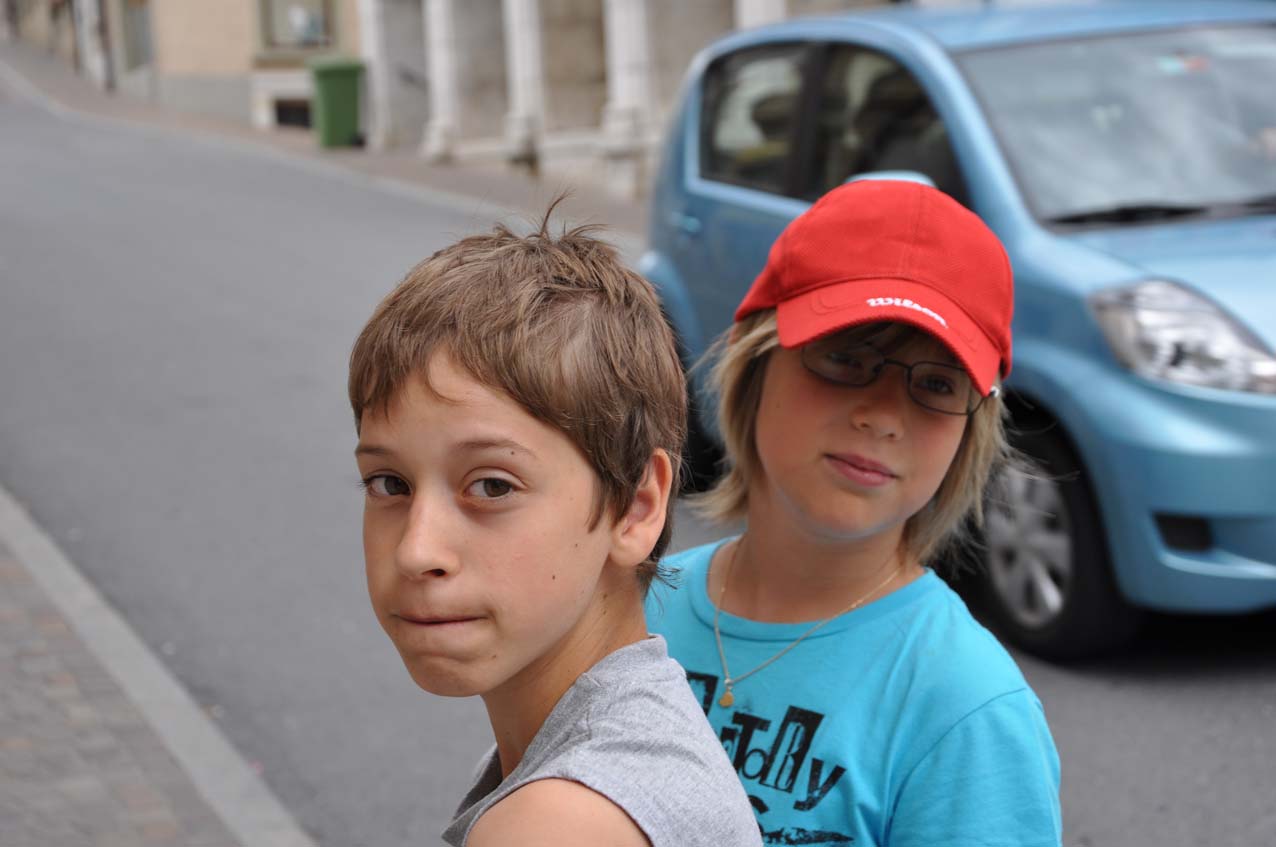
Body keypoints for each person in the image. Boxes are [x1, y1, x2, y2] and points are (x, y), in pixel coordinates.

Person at [647, 179, 1063, 846]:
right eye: (845, 357)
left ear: (971, 430)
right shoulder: (633, 609)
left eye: (936, 383)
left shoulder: (967, 711)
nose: (883, 415)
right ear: (757, 362)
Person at [348, 211, 763, 847]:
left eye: (492, 486)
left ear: (637, 505)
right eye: (389, 484)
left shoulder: (564, 821)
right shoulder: (608, 752)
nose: (416, 550)